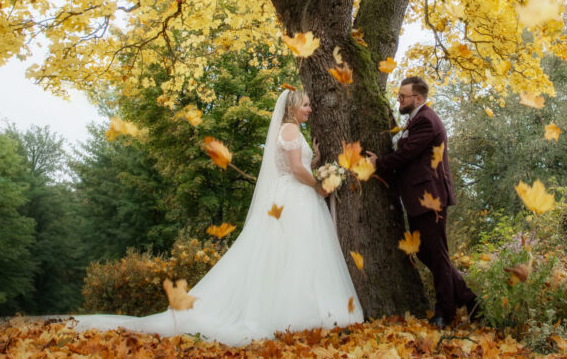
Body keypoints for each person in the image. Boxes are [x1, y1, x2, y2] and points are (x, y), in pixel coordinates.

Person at [71, 89, 363, 345]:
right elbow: (297, 172)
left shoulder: (290, 131)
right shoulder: (289, 130)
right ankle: (297, 312)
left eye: (310, 105)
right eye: (306, 105)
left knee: (290, 254)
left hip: (290, 196)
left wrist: (314, 162)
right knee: (292, 253)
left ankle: (299, 308)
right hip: (294, 197)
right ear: (292, 108)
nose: (310, 109)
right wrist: (319, 185)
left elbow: (296, 165)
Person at [366, 76, 480, 328]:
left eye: (403, 96)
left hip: (430, 199)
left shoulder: (426, 120)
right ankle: (470, 300)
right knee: (423, 252)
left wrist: (379, 164)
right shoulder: (416, 120)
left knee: (437, 255)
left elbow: (407, 154)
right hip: (419, 198)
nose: (399, 99)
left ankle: (445, 313)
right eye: (399, 95)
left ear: (417, 98)